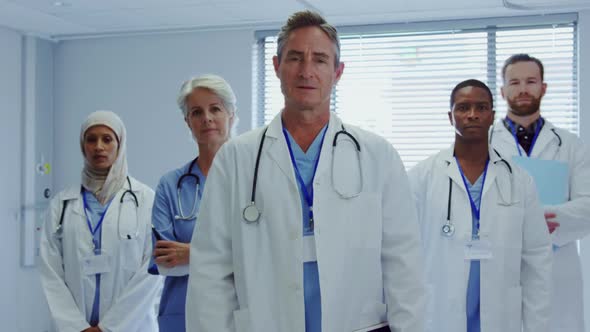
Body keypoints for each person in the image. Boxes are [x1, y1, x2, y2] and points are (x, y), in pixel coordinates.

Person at [186, 10, 425, 332]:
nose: (306, 71)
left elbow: (404, 262)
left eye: (320, 60)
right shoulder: (237, 158)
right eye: (295, 58)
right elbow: (210, 269)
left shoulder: (376, 154)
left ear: (338, 72)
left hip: (359, 322)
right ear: (276, 66)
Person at [408, 79, 552, 332]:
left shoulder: (519, 179)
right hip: (439, 310)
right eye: (463, 108)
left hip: (500, 312)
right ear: (450, 116)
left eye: (481, 107)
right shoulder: (421, 177)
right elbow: (404, 253)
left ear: (492, 116)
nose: (472, 115)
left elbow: (537, 258)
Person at [489, 53, 590, 331]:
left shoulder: (571, 145)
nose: (523, 89)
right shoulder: (483, 144)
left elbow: (588, 205)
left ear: (543, 87)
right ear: (503, 90)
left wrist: (536, 219)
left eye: (531, 81)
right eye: (515, 82)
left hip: (557, 264)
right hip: (499, 261)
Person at [39, 110, 159, 332]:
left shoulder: (146, 200)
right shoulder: (62, 203)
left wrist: (109, 327)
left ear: (120, 144)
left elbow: (152, 269)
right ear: (82, 146)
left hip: (131, 325)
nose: (98, 147)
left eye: (107, 139)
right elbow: (50, 270)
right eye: (91, 139)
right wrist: (76, 326)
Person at [148, 74, 238, 332]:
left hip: (238, 312)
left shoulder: (253, 178)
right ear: (187, 122)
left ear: (231, 114)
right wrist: (227, 256)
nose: (206, 118)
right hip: (181, 314)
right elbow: (165, 262)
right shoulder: (171, 184)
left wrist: (190, 254)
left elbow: (259, 254)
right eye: (196, 112)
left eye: (215, 109)